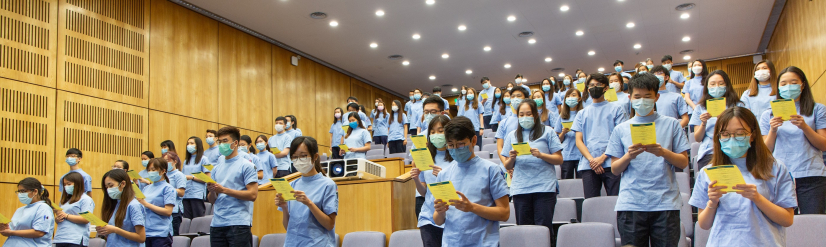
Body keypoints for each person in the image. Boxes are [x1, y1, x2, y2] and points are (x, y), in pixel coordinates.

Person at [691, 106, 796, 246]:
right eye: (725, 134)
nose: (732, 139)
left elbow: (787, 219)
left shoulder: (775, 168)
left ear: (752, 135)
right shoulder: (708, 172)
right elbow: (704, 224)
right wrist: (712, 202)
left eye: (740, 133)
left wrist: (757, 198)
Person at [606, 73, 690, 246]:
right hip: (631, 204)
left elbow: (683, 162)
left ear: (656, 97)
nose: (642, 101)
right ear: (629, 97)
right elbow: (614, 169)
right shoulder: (620, 129)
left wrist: (663, 152)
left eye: (647, 96)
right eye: (637, 96)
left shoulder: (672, 124)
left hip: (665, 203)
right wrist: (628, 156)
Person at [433, 116, 510, 247]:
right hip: (451, 243)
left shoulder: (491, 170)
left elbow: (504, 213)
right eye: (451, 145)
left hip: (484, 243)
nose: (455, 149)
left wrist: (472, 207)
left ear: (474, 140)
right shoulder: (443, 175)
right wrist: (440, 211)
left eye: (461, 144)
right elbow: (438, 220)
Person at [760, 66, 826, 214]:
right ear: (778, 86)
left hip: (811, 174)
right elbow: (765, 150)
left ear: (802, 84)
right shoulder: (768, 114)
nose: (788, 87)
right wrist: (773, 130)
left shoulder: (817, 109)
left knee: (814, 224)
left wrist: (804, 127)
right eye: (783, 84)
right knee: (785, 226)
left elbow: (823, 144)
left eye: (793, 82)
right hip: (781, 176)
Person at [501, 100, 564, 244]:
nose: (524, 117)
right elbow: (507, 165)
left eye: (528, 114)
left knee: (544, 229)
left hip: (544, 188)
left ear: (535, 115)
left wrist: (541, 155)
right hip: (520, 189)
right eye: (521, 114)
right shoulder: (512, 135)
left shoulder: (547, 131)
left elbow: (559, 159)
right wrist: (512, 158)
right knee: (524, 231)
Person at [274, 136, 338, 246]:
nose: (298, 160)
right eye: (294, 157)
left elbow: (329, 224)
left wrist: (309, 203)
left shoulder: (327, 184)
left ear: (315, 157)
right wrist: (284, 207)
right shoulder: (292, 185)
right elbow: (289, 227)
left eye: (303, 156)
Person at [573, 73, 628, 198]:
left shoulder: (616, 109)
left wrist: (602, 158)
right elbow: (578, 141)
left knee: (615, 202)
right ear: (587, 89)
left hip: (611, 163)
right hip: (589, 165)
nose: (594, 87)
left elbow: (618, 138)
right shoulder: (582, 113)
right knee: (591, 204)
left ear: (606, 88)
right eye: (592, 85)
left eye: (598, 85)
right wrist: (592, 161)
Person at [208, 126, 259, 247]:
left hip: (238, 223)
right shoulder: (216, 168)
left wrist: (224, 190)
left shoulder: (247, 165)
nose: (221, 145)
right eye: (219, 142)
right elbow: (212, 200)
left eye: (225, 141)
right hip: (217, 224)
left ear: (235, 143)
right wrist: (212, 192)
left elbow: (252, 195)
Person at [410, 115, 453, 247]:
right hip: (428, 216)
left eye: (440, 131)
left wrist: (443, 177)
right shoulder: (426, 157)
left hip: (451, 217)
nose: (436, 135)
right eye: (432, 132)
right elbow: (424, 192)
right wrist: (416, 179)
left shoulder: (456, 155)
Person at [690, 70, 744, 170]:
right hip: (710, 152)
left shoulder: (737, 105)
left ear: (727, 85)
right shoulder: (700, 108)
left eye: (721, 83)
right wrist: (703, 123)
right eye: (712, 84)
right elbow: (697, 138)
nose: (717, 87)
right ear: (707, 87)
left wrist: (726, 120)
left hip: (735, 149)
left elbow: (745, 130)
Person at [1, 177, 54, 247]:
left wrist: (12, 232)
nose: (20, 194)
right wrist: (5, 229)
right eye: (19, 191)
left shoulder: (43, 208)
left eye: (23, 191)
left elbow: (39, 232)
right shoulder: (19, 210)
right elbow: (12, 230)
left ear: (35, 191)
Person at [98, 169, 146, 247]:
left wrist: (115, 230)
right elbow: (113, 236)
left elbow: (141, 237)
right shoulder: (114, 203)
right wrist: (104, 230)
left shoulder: (133, 205)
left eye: (111, 186)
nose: (108, 190)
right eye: (106, 187)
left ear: (123, 184)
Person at [137, 158, 176, 247]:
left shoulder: (168, 188)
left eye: (153, 170)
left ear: (163, 171)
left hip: (160, 233)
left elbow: (168, 211)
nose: (150, 172)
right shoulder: (146, 188)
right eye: (149, 170)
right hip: (146, 232)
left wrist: (146, 204)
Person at [54, 172, 94, 247]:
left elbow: (86, 219)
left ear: (77, 184)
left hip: (75, 239)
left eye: (69, 184)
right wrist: (58, 218)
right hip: (61, 237)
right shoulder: (65, 201)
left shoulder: (85, 199)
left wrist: (66, 215)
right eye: (65, 184)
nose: (66, 187)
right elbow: (61, 218)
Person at [495, 87, 530, 164]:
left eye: (518, 96)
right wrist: (506, 164)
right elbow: (499, 147)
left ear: (526, 98)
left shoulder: (531, 120)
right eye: (513, 96)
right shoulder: (504, 122)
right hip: (508, 165)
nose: (515, 99)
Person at [555, 88, 584, 179]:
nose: (570, 98)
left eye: (573, 95)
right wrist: (563, 133)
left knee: (582, 181)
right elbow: (558, 140)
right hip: (567, 154)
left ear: (579, 98)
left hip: (581, 154)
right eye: (568, 96)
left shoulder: (583, 114)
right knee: (567, 181)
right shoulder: (562, 116)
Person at [182, 137, 210, 220]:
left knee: (197, 220)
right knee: (187, 220)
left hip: (197, 194)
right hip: (186, 194)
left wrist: (192, 177)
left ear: (198, 145)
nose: (189, 145)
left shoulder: (205, 159)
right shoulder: (186, 160)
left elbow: (208, 178)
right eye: (188, 143)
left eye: (192, 143)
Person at [162, 152, 187, 236]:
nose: (165, 163)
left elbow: (181, 192)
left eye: (167, 161)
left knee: (173, 237)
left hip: (175, 210)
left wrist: (168, 189)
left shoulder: (179, 175)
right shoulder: (163, 175)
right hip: (164, 209)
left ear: (175, 161)